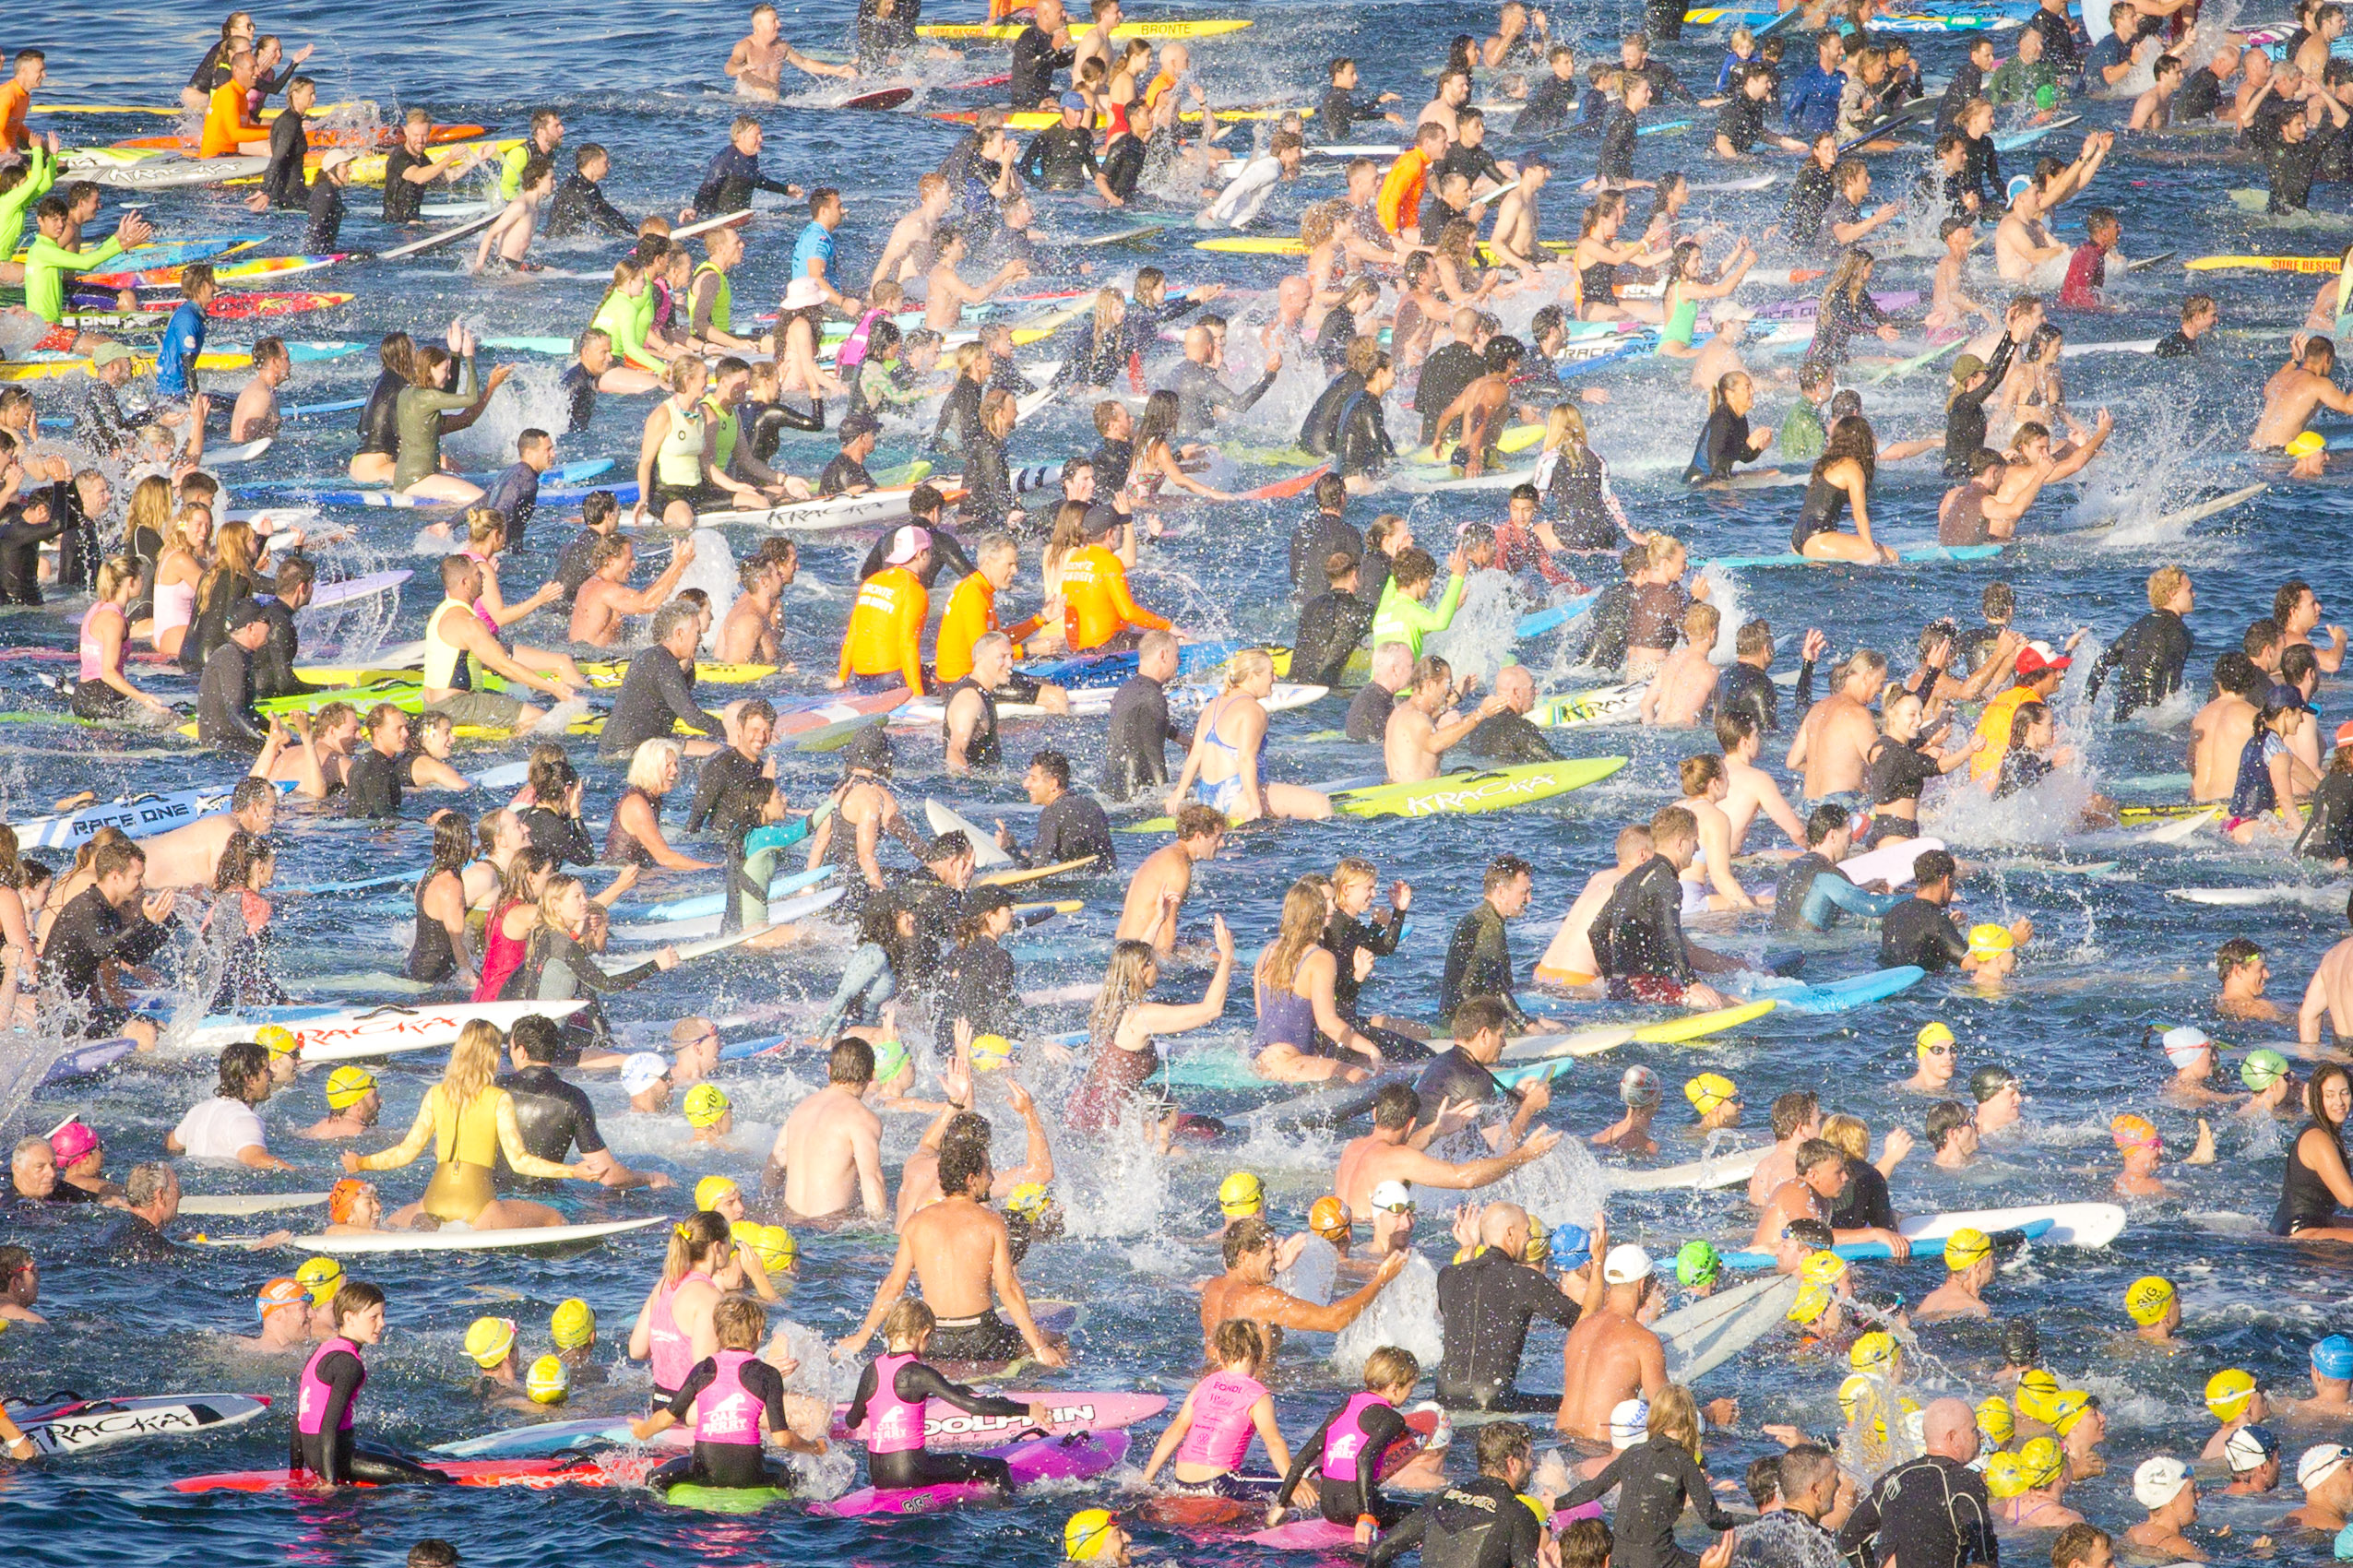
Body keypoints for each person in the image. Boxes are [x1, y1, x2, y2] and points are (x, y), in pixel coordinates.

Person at [345, 1020, 598, 1228]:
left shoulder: (436, 1094)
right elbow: (520, 1161)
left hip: (434, 1200)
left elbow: (405, 1153)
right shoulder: (498, 1098)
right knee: (553, 1218)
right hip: (478, 1205)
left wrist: (360, 1163)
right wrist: (573, 1171)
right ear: (493, 1056)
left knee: (392, 1222)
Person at [838, 1138, 1067, 1368]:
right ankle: (1035, 1395)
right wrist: (1039, 1346)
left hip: (933, 1339)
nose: (992, 1180)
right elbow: (1008, 1290)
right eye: (987, 1173)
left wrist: (862, 1338)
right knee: (1059, 1340)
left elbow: (893, 1286)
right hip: (983, 1337)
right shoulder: (992, 1222)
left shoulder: (916, 1223)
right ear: (971, 1179)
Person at [842, 1297, 1052, 1494]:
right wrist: (1028, 1410)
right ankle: (1010, 1511)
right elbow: (974, 1407)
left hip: (878, 1477)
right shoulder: (918, 1373)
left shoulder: (871, 1370)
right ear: (924, 1334)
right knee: (997, 1467)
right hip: (911, 1472)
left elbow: (852, 1421)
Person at [628, 1294, 826, 1493]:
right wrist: (814, 1447)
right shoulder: (769, 1374)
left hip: (703, 1471)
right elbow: (783, 1439)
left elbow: (665, 1418)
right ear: (758, 1334)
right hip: (751, 1473)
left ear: (718, 1334)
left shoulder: (703, 1369)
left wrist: (643, 1431)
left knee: (657, 1477)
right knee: (793, 1478)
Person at [289, 1281, 453, 1486]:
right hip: (335, 1458)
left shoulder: (324, 1349)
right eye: (374, 1317)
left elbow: (299, 1418)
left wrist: (296, 1470)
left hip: (316, 1452)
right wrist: (329, 1483)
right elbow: (328, 1427)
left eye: (382, 1315)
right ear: (349, 1318)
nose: (382, 1323)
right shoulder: (348, 1365)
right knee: (433, 1480)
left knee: (398, 1455)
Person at [1559, 1384, 1740, 1562]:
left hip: (1619, 1555)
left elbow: (1592, 1489)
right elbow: (1711, 1518)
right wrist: (1737, 1522)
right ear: (1690, 1420)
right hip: (1658, 1556)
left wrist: (1558, 1503)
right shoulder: (1684, 1461)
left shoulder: (1633, 1453)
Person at [1434, 1203, 1585, 1412]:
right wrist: (1597, 1263)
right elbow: (1585, 1321)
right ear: (1510, 1234)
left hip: (1444, 1400)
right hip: (1496, 1403)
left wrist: (1468, 1249)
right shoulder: (1524, 1280)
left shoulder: (1448, 1276)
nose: (1530, 1239)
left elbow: (1468, 1312)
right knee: (1574, 1405)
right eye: (1527, 1232)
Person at [1269, 1347, 1426, 1540]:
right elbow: (1363, 1459)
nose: (1410, 1393)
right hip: (1357, 1509)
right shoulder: (1392, 1419)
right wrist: (1367, 1515)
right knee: (1428, 1513)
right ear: (1394, 1387)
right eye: (1411, 1387)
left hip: (1329, 1507)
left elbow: (1302, 1458)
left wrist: (1281, 1505)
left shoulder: (1343, 1409)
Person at [1138, 1317, 1294, 1502]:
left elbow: (1176, 1430)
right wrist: (1295, 1483)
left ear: (1220, 1355)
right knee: (1301, 1486)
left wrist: (1146, 1478)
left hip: (1181, 1482)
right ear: (1259, 1356)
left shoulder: (1205, 1384)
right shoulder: (1257, 1394)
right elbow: (1273, 1442)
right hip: (1220, 1483)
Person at [1835, 1398, 1998, 1568]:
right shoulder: (1965, 1481)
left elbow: (1850, 1538)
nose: (1979, 1435)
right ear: (1952, 1437)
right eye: (1973, 1429)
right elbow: (1985, 1554)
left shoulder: (1893, 1479)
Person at [773, 1038, 888, 1223]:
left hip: (790, 1222)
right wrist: (880, 1231)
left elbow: (776, 1161)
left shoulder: (801, 1109)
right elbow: (872, 1178)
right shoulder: (861, 1118)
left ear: (829, 1070)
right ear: (872, 1075)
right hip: (830, 1229)